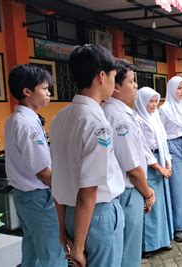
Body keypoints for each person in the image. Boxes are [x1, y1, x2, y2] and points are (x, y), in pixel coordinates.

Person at [50, 45, 126, 267]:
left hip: (72, 215)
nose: (114, 82)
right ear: (102, 76)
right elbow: (88, 190)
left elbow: (59, 178)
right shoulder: (96, 122)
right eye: (113, 76)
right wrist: (79, 248)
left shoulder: (60, 117)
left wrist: (62, 229)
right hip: (96, 216)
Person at [5, 64, 66, 267]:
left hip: (25, 196)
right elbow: (43, 172)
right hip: (37, 198)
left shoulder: (17, 119)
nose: (49, 93)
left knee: (32, 250)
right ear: (27, 91)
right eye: (44, 88)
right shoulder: (27, 123)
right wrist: (67, 192)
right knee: (52, 253)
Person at [102, 59, 155, 267]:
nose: (136, 87)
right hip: (128, 190)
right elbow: (132, 167)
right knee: (129, 251)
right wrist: (147, 192)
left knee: (121, 247)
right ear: (116, 86)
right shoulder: (119, 117)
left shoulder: (113, 111)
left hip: (121, 190)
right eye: (132, 82)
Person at [134, 86, 174, 256]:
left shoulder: (155, 116)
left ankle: (163, 240)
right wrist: (158, 168)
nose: (153, 104)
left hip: (160, 161)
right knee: (150, 203)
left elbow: (163, 141)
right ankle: (148, 245)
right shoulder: (137, 119)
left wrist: (167, 161)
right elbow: (142, 148)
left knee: (162, 204)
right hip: (149, 167)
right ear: (142, 101)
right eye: (150, 101)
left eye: (156, 101)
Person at [159, 76, 182, 243]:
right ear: (171, 89)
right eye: (179, 88)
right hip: (174, 147)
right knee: (178, 188)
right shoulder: (164, 109)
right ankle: (178, 227)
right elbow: (161, 135)